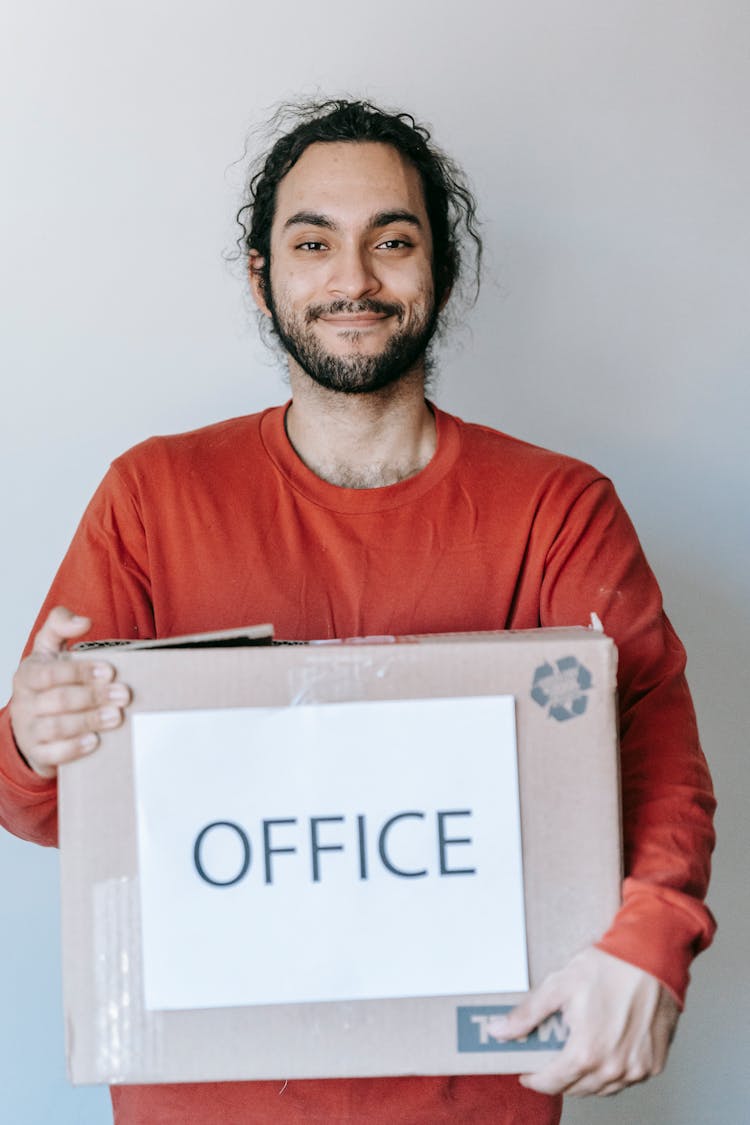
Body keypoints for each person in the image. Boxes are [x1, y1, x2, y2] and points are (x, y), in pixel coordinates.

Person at [0, 99, 715, 1124]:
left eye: (392, 240)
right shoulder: (151, 498)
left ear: (442, 272)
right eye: (313, 243)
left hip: (476, 1092)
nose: (353, 279)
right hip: (205, 1096)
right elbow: (38, 802)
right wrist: (33, 737)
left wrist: (651, 938)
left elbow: (652, 750)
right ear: (264, 278)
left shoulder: (558, 508)